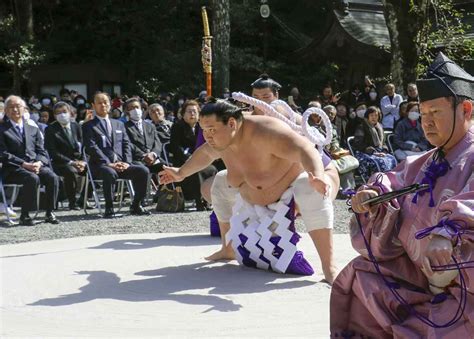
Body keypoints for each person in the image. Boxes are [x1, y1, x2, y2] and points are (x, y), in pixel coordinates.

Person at [330, 52, 474, 337]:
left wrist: (449, 230)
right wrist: (373, 195)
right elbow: (392, 181)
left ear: (466, 109)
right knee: (363, 275)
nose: (427, 122)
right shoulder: (423, 161)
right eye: (423, 114)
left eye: (436, 113)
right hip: (418, 273)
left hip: (464, 287)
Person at [159, 100, 338, 284]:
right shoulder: (222, 139)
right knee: (220, 181)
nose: (207, 136)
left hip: (292, 192)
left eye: (212, 129)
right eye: (204, 130)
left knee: (309, 188)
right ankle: (227, 248)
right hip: (253, 199)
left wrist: (316, 176)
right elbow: (205, 153)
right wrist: (181, 173)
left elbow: (305, 150)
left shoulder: (266, 131)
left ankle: (328, 265)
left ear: (231, 123)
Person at [82, 92, 151, 218]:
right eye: (99, 103)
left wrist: (127, 162)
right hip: (100, 165)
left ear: (110, 104)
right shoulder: (88, 126)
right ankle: (109, 207)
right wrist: (109, 163)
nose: (103, 105)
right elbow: (92, 147)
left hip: (121, 164)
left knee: (143, 171)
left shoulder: (119, 124)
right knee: (109, 172)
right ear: (93, 105)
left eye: (105, 102)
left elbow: (126, 144)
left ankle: (136, 204)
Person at [0, 95, 60, 226]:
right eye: (11, 107)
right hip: (13, 168)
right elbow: (3, 153)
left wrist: (39, 162)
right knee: (32, 178)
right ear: (5, 110)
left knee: (52, 177)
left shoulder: (32, 128)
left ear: (24, 108)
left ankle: (50, 212)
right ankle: (25, 215)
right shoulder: (2, 129)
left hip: (34, 165)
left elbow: (42, 151)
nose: (15, 109)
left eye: (18, 106)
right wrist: (23, 164)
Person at [169, 100, 217, 210]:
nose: (192, 114)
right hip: (183, 160)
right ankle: (198, 199)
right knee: (196, 170)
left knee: (212, 168)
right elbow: (176, 147)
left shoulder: (202, 127)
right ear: (183, 114)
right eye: (189, 112)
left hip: (201, 158)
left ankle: (209, 199)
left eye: (195, 112)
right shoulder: (177, 127)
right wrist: (190, 159)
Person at [45, 101, 87, 210]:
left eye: (64, 111)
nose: (62, 115)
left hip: (78, 160)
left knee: (93, 169)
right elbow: (52, 151)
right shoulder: (50, 129)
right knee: (71, 171)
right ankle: (72, 202)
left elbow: (84, 146)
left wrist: (83, 161)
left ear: (70, 113)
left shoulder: (76, 126)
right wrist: (72, 162)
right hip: (61, 163)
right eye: (58, 113)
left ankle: (83, 198)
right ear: (54, 116)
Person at [352, 106, 397, 179]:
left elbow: (383, 142)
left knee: (391, 158)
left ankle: (389, 181)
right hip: (364, 151)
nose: (374, 117)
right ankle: (376, 181)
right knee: (378, 162)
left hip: (379, 151)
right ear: (367, 116)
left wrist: (384, 151)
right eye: (371, 115)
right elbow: (358, 143)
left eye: (376, 115)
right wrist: (373, 152)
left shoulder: (380, 127)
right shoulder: (362, 127)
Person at [123, 98, 164, 174]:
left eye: (137, 107)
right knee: (143, 171)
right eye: (132, 108)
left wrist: (153, 154)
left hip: (153, 158)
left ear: (141, 109)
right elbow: (128, 144)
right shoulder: (124, 127)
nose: (135, 110)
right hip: (137, 160)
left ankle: (165, 186)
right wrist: (143, 155)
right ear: (127, 112)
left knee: (168, 167)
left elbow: (157, 143)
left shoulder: (150, 126)